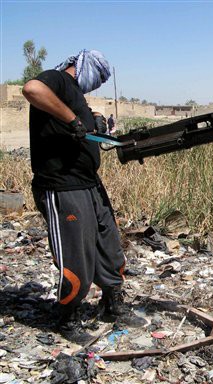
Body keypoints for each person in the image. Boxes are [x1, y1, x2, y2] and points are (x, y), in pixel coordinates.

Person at [22, 49, 145, 345]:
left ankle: (111, 304)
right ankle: (67, 318)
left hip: (88, 183)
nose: (99, 82)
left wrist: (96, 121)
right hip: (62, 186)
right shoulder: (58, 80)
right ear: (82, 65)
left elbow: (86, 122)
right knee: (76, 254)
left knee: (109, 244)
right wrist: (73, 120)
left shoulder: (74, 93)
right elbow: (32, 89)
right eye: (99, 75)